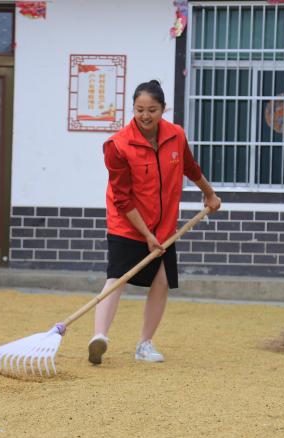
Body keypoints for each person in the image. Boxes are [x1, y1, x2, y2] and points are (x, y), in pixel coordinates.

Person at [88, 80, 221, 365]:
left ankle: (144, 345)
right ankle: (99, 338)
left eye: (152, 110)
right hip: (127, 223)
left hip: (163, 226)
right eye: (139, 110)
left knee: (160, 281)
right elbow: (123, 199)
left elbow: (190, 168)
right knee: (116, 279)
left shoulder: (175, 135)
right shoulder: (118, 145)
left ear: (163, 109)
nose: (145, 116)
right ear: (132, 109)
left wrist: (209, 194)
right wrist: (145, 234)